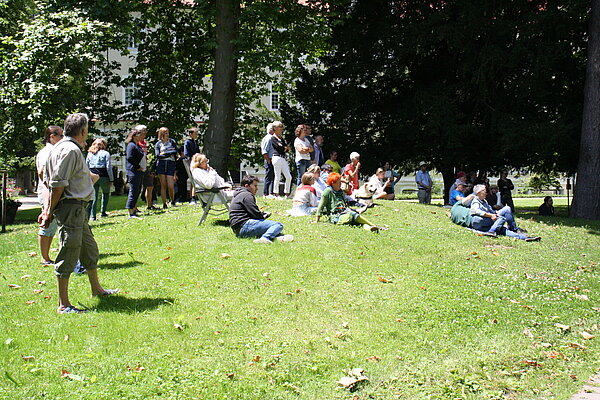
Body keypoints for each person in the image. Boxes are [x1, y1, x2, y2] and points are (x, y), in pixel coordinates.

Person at [39, 113, 117, 314]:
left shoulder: (62, 148)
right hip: (71, 208)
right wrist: (48, 212)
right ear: (82, 131)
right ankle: (63, 304)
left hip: (78, 209)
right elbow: (57, 184)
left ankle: (96, 289)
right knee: (69, 252)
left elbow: (57, 181)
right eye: (87, 131)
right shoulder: (70, 150)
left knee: (89, 249)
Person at [229, 175, 293, 244]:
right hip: (244, 226)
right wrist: (264, 216)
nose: (257, 189)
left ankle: (279, 237)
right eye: (255, 186)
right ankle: (265, 238)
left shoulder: (239, 194)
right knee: (277, 225)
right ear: (247, 186)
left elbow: (251, 212)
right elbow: (255, 214)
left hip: (238, 229)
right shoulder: (247, 195)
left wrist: (262, 214)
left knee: (272, 229)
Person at [313, 172, 383, 232]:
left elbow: (345, 204)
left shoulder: (341, 192)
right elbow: (321, 206)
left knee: (358, 221)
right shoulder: (327, 191)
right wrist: (317, 220)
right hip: (336, 216)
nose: (340, 184)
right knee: (353, 215)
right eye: (339, 182)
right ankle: (374, 225)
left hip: (345, 212)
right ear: (333, 183)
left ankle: (370, 228)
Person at [470, 184, 540, 241]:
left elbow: (492, 211)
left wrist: (495, 213)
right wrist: (491, 215)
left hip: (489, 221)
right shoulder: (476, 201)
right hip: (480, 222)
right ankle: (491, 231)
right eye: (485, 191)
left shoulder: (484, 201)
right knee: (501, 218)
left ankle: (523, 237)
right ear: (479, 193)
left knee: (506, 212)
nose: (486, 193)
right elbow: (476, 211)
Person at [36, 125, 63, 266]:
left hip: (52, 190)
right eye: (60, 135)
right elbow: (41, 172)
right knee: (48, 221)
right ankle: (44, 258)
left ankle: (47, 256)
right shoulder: (47, 152)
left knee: (52, 225)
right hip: (47, 191)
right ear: (52, 136)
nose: (63, 138)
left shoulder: (53, 150)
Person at [86, 138, 113, 220]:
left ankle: (93, 216)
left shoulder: (89, 154)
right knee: (106, 193)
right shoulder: (106, 153)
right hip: (104, 176)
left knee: (94, 196)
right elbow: (108, 167)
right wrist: (111, 179)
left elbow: (86, 165)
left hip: (93, 176)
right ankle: (103, 212)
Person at [125, 126, 146, 219]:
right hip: (133, 172)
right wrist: (137, 167)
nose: (140, 136)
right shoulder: (131, 145)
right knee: (133, 191)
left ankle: (133, 210)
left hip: (138, 172)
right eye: (138, 134)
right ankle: (131, 212)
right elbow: (130, 157)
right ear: (134, 136)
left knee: (137, 191)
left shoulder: (136, 145)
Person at [155, 127, 178, 208]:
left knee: (171, 185)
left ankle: (172, 200)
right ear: (161, 134)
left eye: (168, 133)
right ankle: (164, 203)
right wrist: (168, 154)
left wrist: (165, 153)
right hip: (161, 164)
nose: (167, 135)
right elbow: (158, 155)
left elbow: (175, 151)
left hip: (170, 164)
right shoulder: (158, 144)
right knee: (163, 185)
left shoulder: (172, 141)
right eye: (165, 133)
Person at [270, 121, 292, 198]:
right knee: (277, 176)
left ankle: (287, 193)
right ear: (275, 128)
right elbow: (280, 147)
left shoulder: (281, 138)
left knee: (289, 176)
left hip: (283, 158)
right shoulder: (273, 138)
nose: (281, 128)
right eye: (279, 126)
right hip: (276, 157)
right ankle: (276, 194)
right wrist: (284, 148)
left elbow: (285, 147)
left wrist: (284, 148)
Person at [184, 127, 201, 204]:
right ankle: (192, 197)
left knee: (194, 180)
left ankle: (193, 196)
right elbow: (186, 154)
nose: (196, 135)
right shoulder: (187, 142)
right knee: (193, 180)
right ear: (190, 134)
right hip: (191, 163)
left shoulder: (196, 142)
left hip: (196, 162)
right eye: (195, 134)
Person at [261, 123, 275, 197]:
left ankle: (272, 192)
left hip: (273, 159)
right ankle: (266, 193)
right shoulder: (269, 138)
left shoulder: (271, 138)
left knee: (273, 177)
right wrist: (268, 160)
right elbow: (264, 151)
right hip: (270, 159)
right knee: (269, 177)